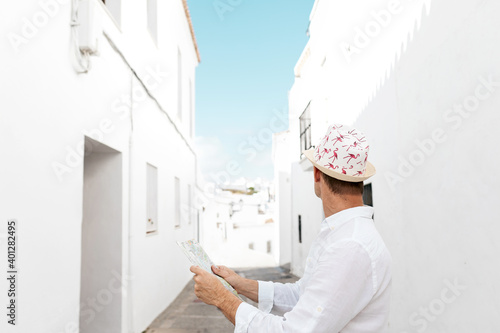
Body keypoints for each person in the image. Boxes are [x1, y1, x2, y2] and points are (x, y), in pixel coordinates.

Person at [190, 124, 392, 332]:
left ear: (316, 173)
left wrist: (223, 299)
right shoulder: (345, 234)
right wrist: (239, 284)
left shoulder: (349, 245)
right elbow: (302, 296)